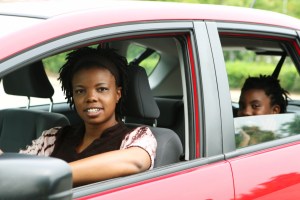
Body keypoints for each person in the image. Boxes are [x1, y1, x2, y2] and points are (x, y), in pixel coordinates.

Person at [0, 47, 157, 187]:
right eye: (80, 91)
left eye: (101, 89)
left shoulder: (138, 136)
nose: (91, 97)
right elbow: (20, 169)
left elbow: (134, 162)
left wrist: (51, 174)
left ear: (118, 94)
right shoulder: (54, 137)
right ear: (73, 96)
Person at [236, 75, 289, 147]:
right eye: (242, 106)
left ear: (275, 111)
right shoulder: (234, 136)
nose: (246, 112)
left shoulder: (285, 143)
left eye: (255, 106)